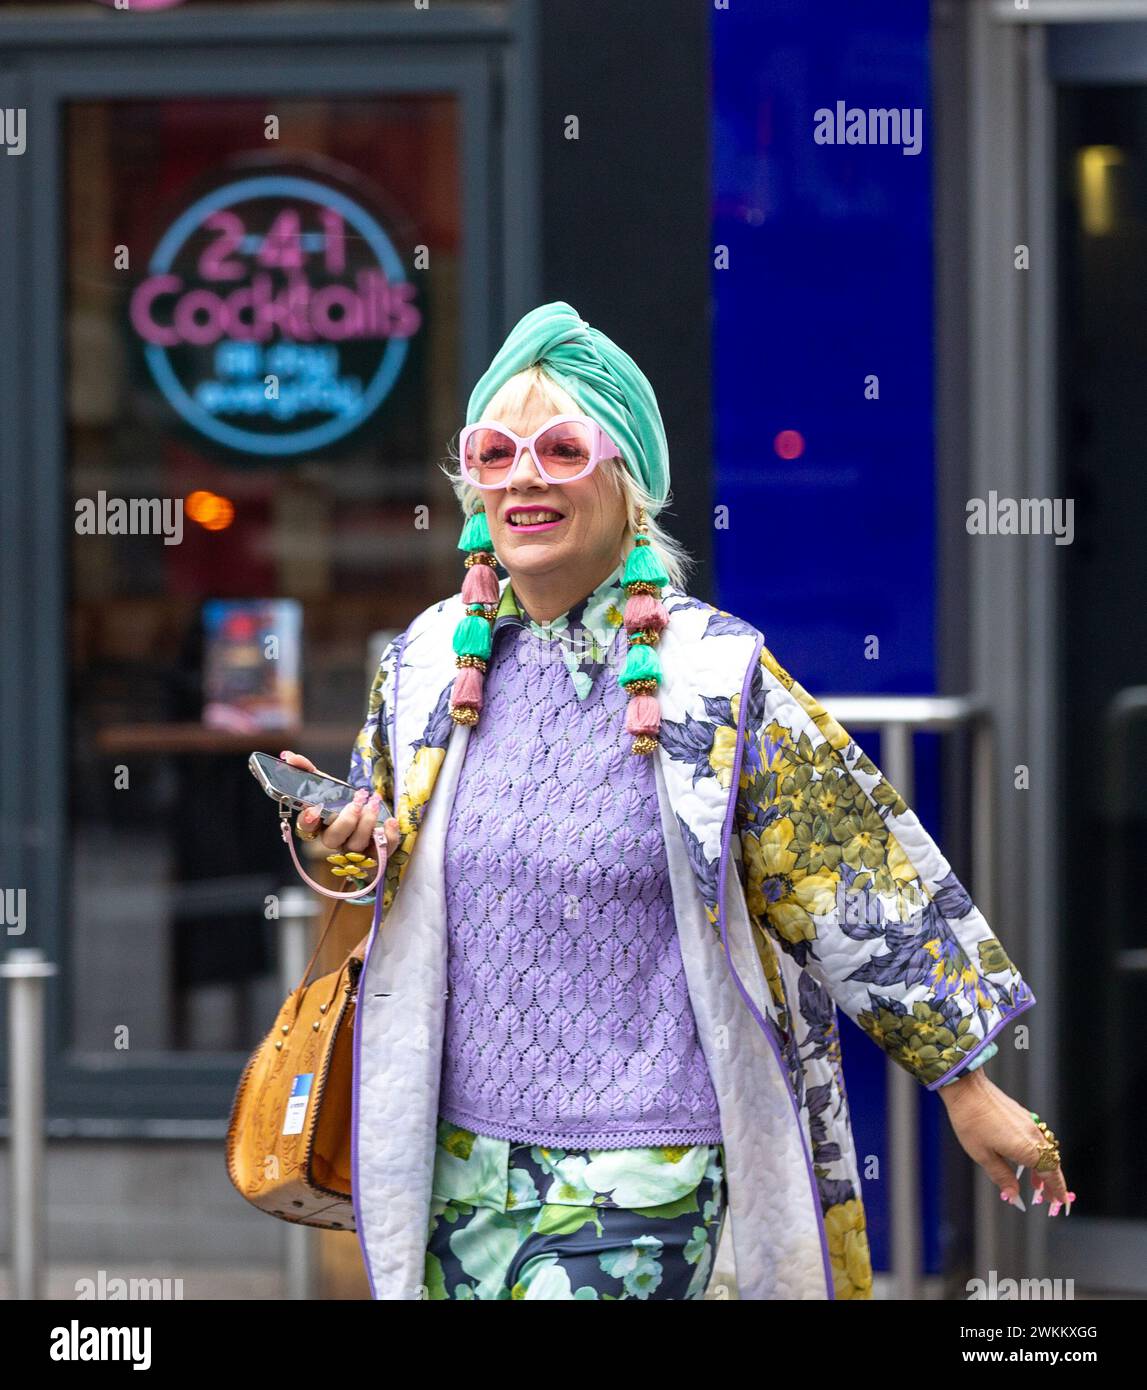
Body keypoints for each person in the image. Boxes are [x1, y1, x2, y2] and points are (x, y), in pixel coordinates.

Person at [280, 300, 1072, 1301]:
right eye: (495, 451)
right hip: (453, 1162)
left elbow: (851, 878)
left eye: (562, 449)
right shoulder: (429, 661)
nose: (523, 476)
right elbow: (385, 844)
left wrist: (968, 1084)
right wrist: (343, 838)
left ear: (630, 483)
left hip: (644, 1169)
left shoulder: (716, 679)